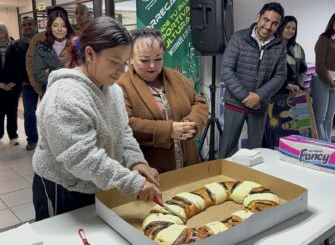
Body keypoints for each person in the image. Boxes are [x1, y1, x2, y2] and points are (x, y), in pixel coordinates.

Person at [32, 16, 161, 221]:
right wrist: (132, 183)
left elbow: (123, 131)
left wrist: (136, 162)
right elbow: (82, 157)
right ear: (90, 54)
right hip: (63, 189)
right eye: (114, 62)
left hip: (97, 183)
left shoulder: (113, 90)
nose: (121, 70)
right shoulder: (64, 96)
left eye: (125, 63)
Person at [117, 28, 209, 173]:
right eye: (144, 60)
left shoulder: (175, 77)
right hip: (152, 169)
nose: (152, 66)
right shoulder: (121, 86)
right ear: (130, 58)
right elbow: (126, 125)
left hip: (188, 165)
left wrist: (191, 123)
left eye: (158, 59)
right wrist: (168, 130)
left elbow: (199, 102)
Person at [218, 2, 287, 158]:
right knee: (227, 148)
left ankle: (251, 181)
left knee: (255, 151)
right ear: (258, 17)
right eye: (266, 20)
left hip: (259, 105)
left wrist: (259, 96)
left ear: (278, 25)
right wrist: (245, 96)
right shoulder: (238, 38)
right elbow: (226, 70)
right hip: (235, 102)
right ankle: (223, 179)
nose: (268, 26)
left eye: (274, 23)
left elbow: (280, 76)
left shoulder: (280, 46)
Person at [25, 6, 70, 96]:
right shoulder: (39, 38)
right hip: (48, 88)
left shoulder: (75, 37)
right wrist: (37, 86)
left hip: (72, 88)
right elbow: (30, 61)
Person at [10, 17, 39, 151]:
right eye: (24, 25)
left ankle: (48, 140)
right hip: (27, 85)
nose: (27, 27)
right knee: (29, 113)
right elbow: (14, 66)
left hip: (44, 83)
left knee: (48, 113)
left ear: (36, 25)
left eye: (30, 24)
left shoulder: (44, 41)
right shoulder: (16, 45)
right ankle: (32, 140)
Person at [311, 13, 335, 142]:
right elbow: (320, 67)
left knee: (330, 117)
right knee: (320, 116)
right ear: (332, 23)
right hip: (322, 80)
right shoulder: (324, 39)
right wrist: (332, 84)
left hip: (334, 83)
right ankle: (320, 145)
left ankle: (328, 144)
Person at [275, 15, 307, 97]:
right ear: (280, 27)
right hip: (275, 91)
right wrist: (286, 85)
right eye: (287, 27)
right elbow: (269, 72)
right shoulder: (272, 46)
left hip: (293, 91)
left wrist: (298, 85)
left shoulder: (298, 48)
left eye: (293, 29)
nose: (291, 31)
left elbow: (303, 70)